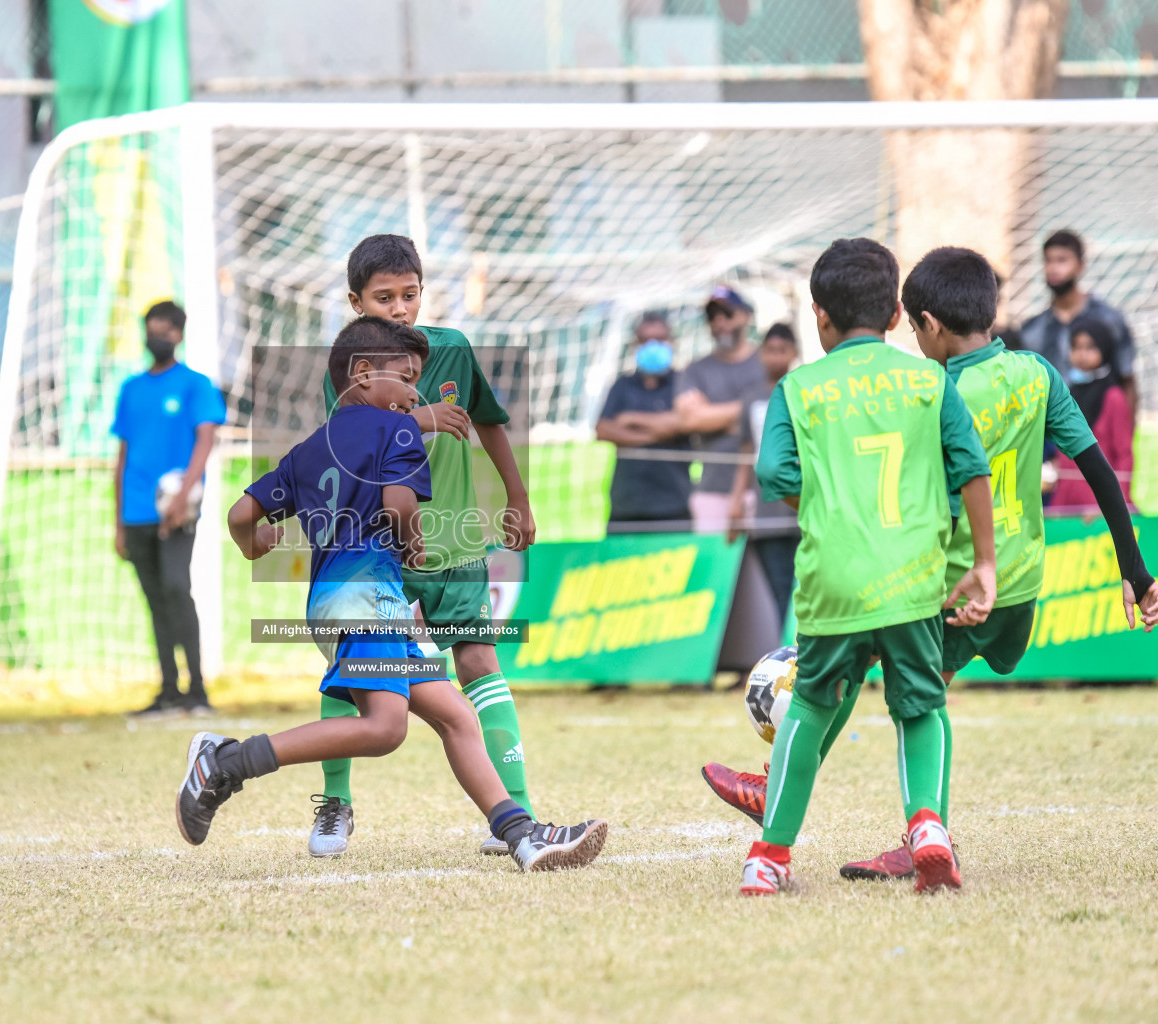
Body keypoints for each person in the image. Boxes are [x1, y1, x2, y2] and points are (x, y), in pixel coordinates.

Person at [705, 247, 1158, 882]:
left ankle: (846, 811)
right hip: (1018, 583)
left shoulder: (932, 390)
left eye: (918, 333)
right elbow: (1097, 467)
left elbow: (938, 488)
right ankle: (872, 815)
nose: (916, 345)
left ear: (928, 325)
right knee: (905, 687)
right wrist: (1134, 568)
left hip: (943, 581)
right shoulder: (1036, 373)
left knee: (850, 685)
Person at [176, 316, 607, 873]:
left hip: (333, 604)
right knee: (386, 728)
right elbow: (400, 508)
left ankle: (523, 835)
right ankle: (228, 761)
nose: (412, 396)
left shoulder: (310, 447)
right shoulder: (398, 431)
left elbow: (240, 515)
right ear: (361, 375)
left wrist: (254, 543)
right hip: (369, 600)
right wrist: (412, 544)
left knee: (454, 714)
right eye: (405, 381)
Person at [733, 238, 998, 897]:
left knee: (811, 710)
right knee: (920, 707)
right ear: (891, 317)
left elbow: (772, 473)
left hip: (834, 581)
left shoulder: (797, 387)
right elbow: (971, 468)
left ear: (819, 317)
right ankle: (928, 826)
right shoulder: (929, 379)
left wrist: (824, 506)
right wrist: (985, 564)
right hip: (912, 580)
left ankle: (769, 858)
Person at [311, 235, 538, 859]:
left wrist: (517, 499)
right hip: (374, 550)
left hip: (453, 543)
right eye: (384, 298)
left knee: (479, 666)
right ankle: (335, 806)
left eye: (409, 295)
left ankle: (516, 812)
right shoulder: (350, 367)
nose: (400, 309)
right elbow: (352, 443)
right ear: (356, 301)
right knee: (351, 674)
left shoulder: (454, 350)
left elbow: (489, 421)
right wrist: (420, 421)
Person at [112, 301, 227, 717]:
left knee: (178, 588)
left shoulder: (196, 385)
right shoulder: (131, 389)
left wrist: (183, 497)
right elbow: (121, 456)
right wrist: (118, 524)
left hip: (177, 512)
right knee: (155, 599)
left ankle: (197, 691)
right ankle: (167, 690)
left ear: (178, 334)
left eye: (163, 328)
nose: (155, 336)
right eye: (150, 328)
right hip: (135, 512)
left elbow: (206, 439)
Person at [676, 285, 767, 533]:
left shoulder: (768, 361)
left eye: (727, 314)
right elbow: (690, 419)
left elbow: (780, 409)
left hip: (765, 490)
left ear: (745, 315)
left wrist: (716, 415)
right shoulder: (696, 370)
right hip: (713, 491)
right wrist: (750, 410)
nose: (720, 323)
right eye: (712, 316)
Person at [726, 324, 801, 622]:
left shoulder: (803, 388)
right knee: (774, 589)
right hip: (766, 507)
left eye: (782, 350)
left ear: (793, 352)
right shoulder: (752, 397)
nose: (775, 357)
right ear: (760, 353)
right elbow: (746, 451)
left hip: (801, 502)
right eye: (770, 350)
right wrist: (736, 501)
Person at [1019, 230, 1137, 409]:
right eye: (1048, 260)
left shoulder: (1109, 320)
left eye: (1062, 260)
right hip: (1048, 433)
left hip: (1098, 433)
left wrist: (1126, 434)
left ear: (1081, 265)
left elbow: (1127, 380)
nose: (1053, 268)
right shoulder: (1032, 330)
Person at [596, 313, 692, 532]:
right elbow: (603, 430)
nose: (653, 345)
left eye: (659, 339)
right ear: (635, 344)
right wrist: (657, 433)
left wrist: (630, 420)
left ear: (672, 342)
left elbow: (683, 423)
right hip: (626, 505)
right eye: (645, 340)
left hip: (673, 505)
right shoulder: (622, 385)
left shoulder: (684, 382)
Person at [1048, 316, 1136, 513]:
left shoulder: (1113, 396)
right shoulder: (1067, 392)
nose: (1082, 354)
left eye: (1090, 347)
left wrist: (1115, 503)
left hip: (1098, 499)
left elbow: (1124, 455)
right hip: (1065, 498)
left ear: (1104, 349)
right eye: (1076, 347)